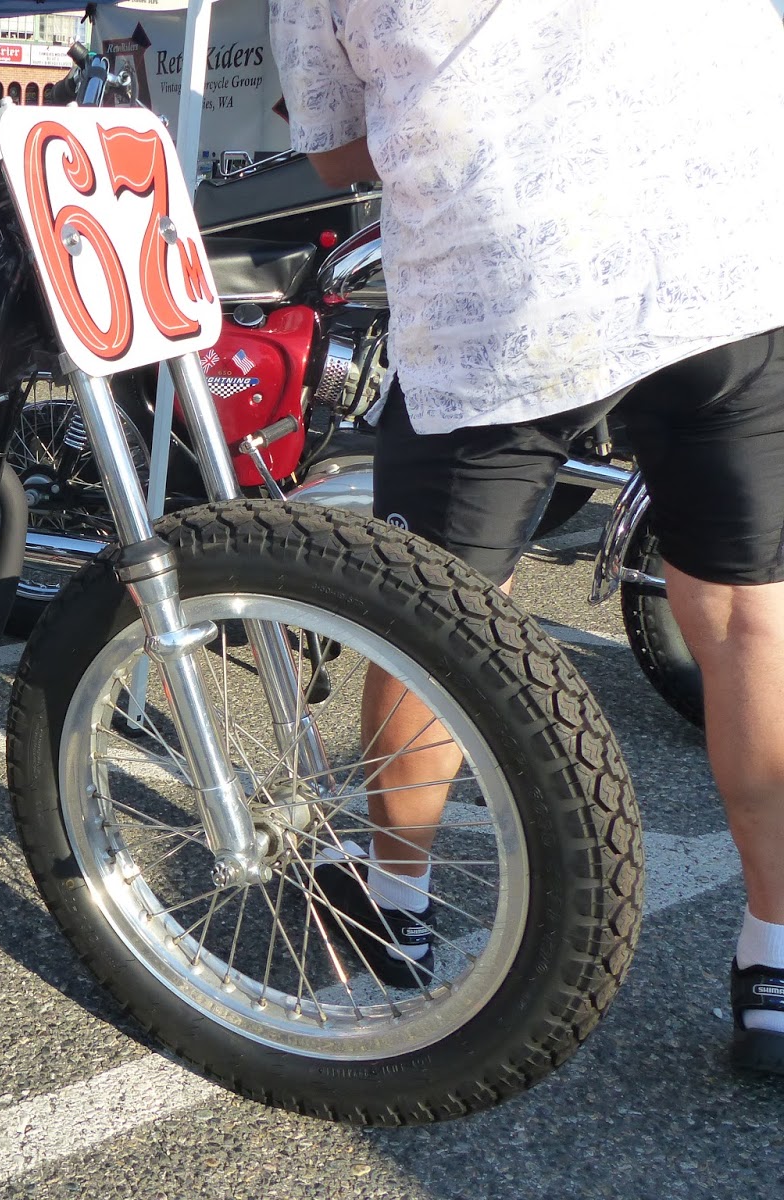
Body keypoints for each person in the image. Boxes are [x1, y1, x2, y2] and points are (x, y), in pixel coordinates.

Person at [269, 0, 784, 1075]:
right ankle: (774, 959)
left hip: (501, 283)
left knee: (443, 621)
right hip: (719, 263)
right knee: (746, 616)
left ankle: (390, 901)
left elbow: (332, 153)